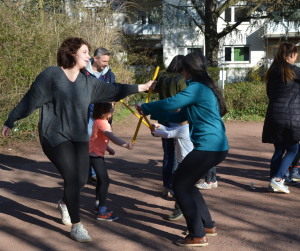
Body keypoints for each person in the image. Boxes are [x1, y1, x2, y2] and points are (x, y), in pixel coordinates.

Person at [1, 37, 155, 243]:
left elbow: (114, 90)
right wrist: (11, 119)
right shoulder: (52, 75)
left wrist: (142, 87)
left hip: (79, 136)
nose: (88, 56)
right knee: (72, 177)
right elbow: (31, 98)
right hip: (54, 135)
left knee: (82, 179)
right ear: (71, 53)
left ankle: (65, 203)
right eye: (84, 52)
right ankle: (76, 225)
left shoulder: (88, 82)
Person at [136, 51, 229, 247]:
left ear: (186, 70)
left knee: (178, 185)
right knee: (187, 184)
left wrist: (146, 108)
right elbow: (179, 116)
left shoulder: (196, 88)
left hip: (209, 147)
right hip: (216, 147)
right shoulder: (203, 88)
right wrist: (158, 122)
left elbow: (172, 102)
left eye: (182, 70)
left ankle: (197, 235)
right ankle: (208, 225)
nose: (181, 72)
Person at [262, 42, 300, 194]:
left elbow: (269, 94)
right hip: (290, 117)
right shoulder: (295, 71)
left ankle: (273, 181)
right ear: (292, 55)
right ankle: (278, 179)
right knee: (293, 148)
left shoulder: (272, 72)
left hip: (273, 116)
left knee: (279, 150)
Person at [89, 102, 134, 221]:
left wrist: (108, 148)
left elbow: (96, 138)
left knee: (101, 181)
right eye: (111, 108)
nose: (113, 110)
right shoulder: (103, 123)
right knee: (105, 182)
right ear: (103, 110)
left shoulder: (98, 120)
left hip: (95, 154)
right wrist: (126, 144)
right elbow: (111, 137)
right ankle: (102, 212)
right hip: (95, 156)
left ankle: (98, 207)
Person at [153, 55, 187, 196]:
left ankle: (167, 186)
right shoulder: (180, 79)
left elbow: (152, 89)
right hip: (176, 117)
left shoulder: (161, 76)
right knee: (181, 153)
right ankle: (176, 185)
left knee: (168, 153)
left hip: (162, 116)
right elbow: (185, 97)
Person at [151, 120, 193, 221]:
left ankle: (182, 208)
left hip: (186, 164)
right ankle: (182, 207)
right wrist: (159, 126)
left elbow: (168, 134)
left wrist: (155, 132)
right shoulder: (183, 127)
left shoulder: (184, 129)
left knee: (175, 186)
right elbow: (170, 129)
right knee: (179, 186)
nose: (176, 117)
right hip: (185, 163)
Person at [85, 47, 116, 184]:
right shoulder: (83, 72)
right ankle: (88, 173)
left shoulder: (110, 74)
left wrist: (111, 108)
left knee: (100, 142)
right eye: (104, 61)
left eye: (107, 61)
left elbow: (113, 92)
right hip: (87, 114)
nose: (106, 64)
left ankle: (93, 174)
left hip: (103, 114)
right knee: (88, 141)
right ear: (95, 58)